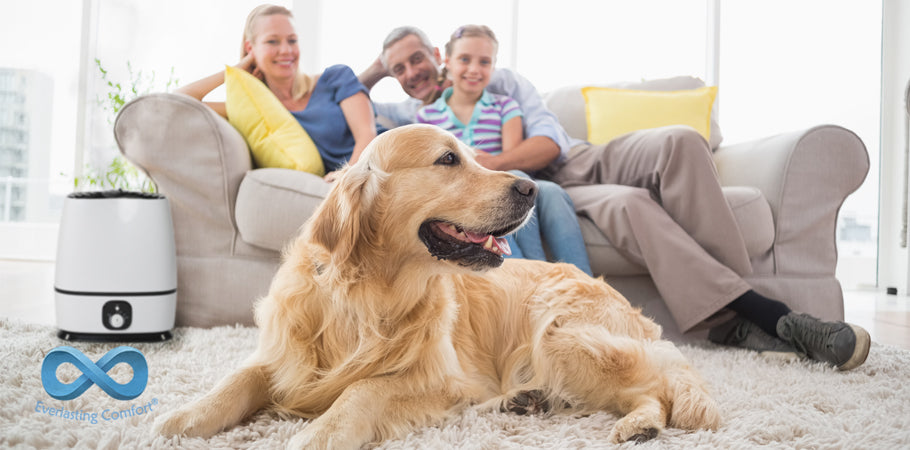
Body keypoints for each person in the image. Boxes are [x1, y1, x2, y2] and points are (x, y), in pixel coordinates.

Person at [358, 26, 871, 371]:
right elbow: (342, 98)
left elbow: (548, 142)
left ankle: (741, 315)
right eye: (397, 69)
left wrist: (490, 165)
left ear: (437, 54)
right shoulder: (409, 118)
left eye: (415, 59)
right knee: (629, 208)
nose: (411, 73)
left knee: (681, 141)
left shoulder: (496, 81)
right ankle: (769, 316)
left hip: (578, 159)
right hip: (556, 192)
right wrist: (375, 72)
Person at [414, 25, 591, 275]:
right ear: (448, 62)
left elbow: (510, 163)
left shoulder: (505, 106)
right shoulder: (426, 116)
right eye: (465, 59)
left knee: (552, 192)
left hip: (504, 178)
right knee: (525, 186)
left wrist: (492, 166)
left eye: (484, 62)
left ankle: (584, 280)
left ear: (493, 67)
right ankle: (531, 275)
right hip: (465, 192)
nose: (474, 69)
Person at [176, 4, 376, 182]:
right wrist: (236, 69)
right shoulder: (257, 111)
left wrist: (346, 176)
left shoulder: (335, 77)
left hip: (378, 166)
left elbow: (367, 135)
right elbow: (177, 103)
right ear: (250, 48)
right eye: (272, 41)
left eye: (292, 40)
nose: (286, 50)